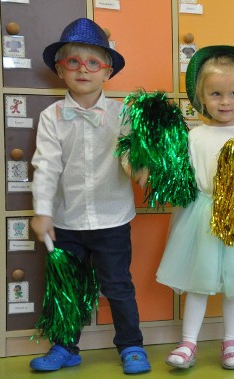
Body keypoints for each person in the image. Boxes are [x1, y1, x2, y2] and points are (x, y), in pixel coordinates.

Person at [29, 18, 151, 374]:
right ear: (59, 69)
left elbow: (132, 156)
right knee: (67, 286)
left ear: (107, 71)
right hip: (67, 220)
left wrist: (140, 168)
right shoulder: (51, 116)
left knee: (118, 286)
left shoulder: (123, 113)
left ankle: (131, 345)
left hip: (112, 219)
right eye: (73, 62)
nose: (84, 69)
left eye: (93, 62)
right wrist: (42, 212)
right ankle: (65, 347)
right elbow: (46, 166)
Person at [155, 45, 234, 370]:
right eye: (215, 94)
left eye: (232, 94)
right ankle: (188, 342)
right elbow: (184, 175)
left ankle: (231, 341)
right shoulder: (196, 135)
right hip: (203, 218)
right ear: (201, 98)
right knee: (198, 283)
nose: (225, 102)